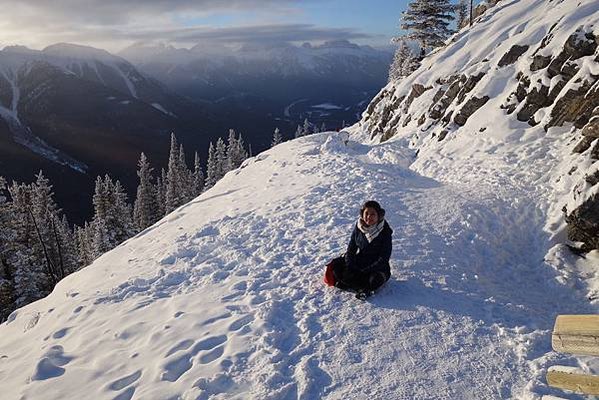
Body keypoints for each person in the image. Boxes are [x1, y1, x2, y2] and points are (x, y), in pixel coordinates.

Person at [330, 200, 393, 300]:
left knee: (375, 280)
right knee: (337, 268)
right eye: (366, 213)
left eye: (373, 214)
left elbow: (384, 257)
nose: (369, 217)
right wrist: (351, 265)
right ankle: (359, 286)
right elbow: (351, 249)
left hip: (377, 267)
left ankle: (364, 289)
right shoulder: (359, 227)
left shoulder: (385, 231)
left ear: (379, 215)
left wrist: (366, 270)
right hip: (360, 262)